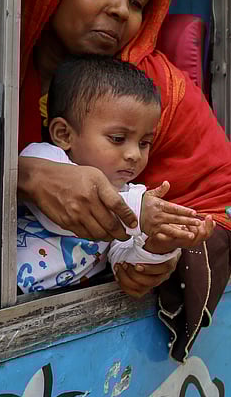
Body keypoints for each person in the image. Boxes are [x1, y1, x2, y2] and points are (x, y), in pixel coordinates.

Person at [17, 0, 231, 360]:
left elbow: (225, 203)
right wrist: (22, 175)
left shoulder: (159, 91)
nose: (122, 9)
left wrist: (162, 257)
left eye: (138, 1)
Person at [16, 56, 207, 292]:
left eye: (145, 142)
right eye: (118, 139)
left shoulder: (131, 193)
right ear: (64, 135)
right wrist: (139, 213)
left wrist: (160, 245)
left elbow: (123, 262)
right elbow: (72, 208)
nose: (134, 154)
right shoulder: (43, 158)